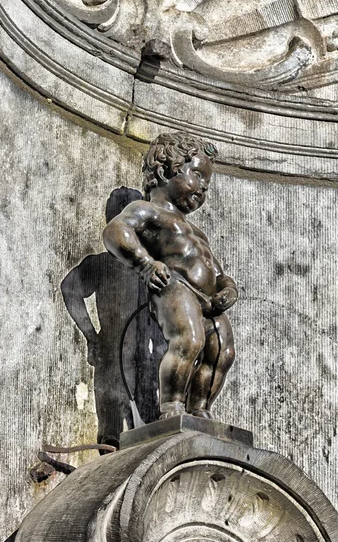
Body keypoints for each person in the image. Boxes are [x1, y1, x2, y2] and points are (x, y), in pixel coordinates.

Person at [103, 132, 237, 419]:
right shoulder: (148, 210)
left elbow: (217, 270)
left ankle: (200, 409)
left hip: (209, 300)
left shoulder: (197, 232)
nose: (203, 188)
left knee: (222, 351)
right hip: (174, 286)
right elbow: (116, 231)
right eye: (198, 176)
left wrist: (228, 288)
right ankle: (172, 407)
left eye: (207, 183)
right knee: (189, 340)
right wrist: (146, 264)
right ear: (167, 170)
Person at [61, 187, 164, 448]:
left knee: (149, 432)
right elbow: (69, 288)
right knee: (112, 435)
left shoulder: (155, 268)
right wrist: (91, 336)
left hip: (147, 358)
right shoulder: (103, 264)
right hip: (115, 354)